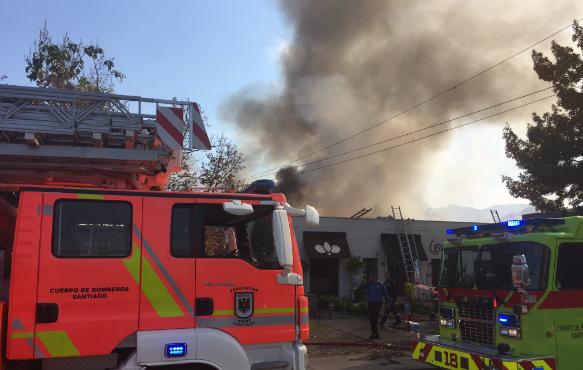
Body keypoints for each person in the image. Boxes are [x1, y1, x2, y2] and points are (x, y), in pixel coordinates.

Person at [358, 273, 390, 339]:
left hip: (378, 302)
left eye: (372, 278)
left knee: (375, 316)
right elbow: (360, 289)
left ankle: (375, 332)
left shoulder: (380, 285)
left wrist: (387, 303)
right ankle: (374, 333)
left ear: (375, 278)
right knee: (371, 318)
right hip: (370, 302)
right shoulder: (368, 284)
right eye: (369, 278)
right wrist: (361, 283)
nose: (370, 280)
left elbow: (385, 294)